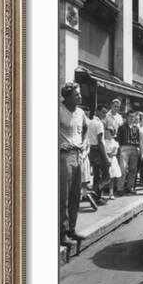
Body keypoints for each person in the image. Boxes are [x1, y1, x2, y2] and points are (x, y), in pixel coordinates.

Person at [59, 82, 87, 248]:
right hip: (64, 156)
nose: (80, 96)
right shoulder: (58, 110)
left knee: (76, 195)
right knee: (63, 196)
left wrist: (83, 143)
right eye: (76, 94)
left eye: (79, 94)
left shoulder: (81, 112)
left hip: (78, 156)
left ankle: (72, 229)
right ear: (67, 96)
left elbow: (84, 128)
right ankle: (61, 233)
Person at [88, 104, 110, 203]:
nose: (104, 114)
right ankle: (95, 192)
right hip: (98, 150)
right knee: (106, 176)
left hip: (91, 150)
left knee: (97, 175)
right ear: (97, 111)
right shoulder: (99, 123)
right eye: (103, 112)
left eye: (106, 112)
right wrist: (106, 157)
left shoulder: (90, 122)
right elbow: (100, 141)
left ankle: (96, 197)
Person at [117, 111, 141, 194]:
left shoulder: (136, 128)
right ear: (127, 117)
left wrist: (138, 148)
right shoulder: (122, 127)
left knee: (133, 169)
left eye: (133, 117)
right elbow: (118, 138)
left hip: (134, 148)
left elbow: (138, 139)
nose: (131, 118)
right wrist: (120, 148)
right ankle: (120, 188)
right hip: (124, 147)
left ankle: (130, 187)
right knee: (123, 169)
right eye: (130, 116)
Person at [104, 127, 122, 199]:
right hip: (105, 160)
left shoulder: (115, 143)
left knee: (112, 177)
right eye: (105, 133)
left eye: (108, 133)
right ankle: (101, 193)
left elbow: (115, 153)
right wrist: (107, 154)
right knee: (104, 177)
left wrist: (110, 153)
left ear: (112, 134)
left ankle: (111, 193)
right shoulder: (103, 142)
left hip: (112, 161)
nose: (106, 134)